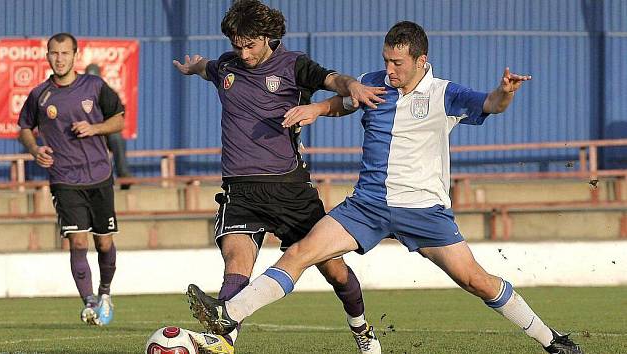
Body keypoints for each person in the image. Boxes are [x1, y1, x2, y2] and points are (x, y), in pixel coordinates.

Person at [184, 21, 585, 354]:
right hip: (367, 207)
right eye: (386, 61)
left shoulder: (446, 94)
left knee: (475, 281)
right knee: (302, 253)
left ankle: (551, 340)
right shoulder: (375, 83)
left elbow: (491, 104)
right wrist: (318, 108)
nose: (389, 70)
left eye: (397, 63)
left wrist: (506, 93)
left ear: (420, 61)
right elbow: (346, 102)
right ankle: (228, 316)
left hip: (424, 211)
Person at [173, 1, 385, 353]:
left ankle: (361, 328)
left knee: (334, 271)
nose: (243, 53)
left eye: (250, 45)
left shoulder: (294, 65)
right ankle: (223, 341)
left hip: (290, 189)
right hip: (240, 191)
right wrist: (195, 66)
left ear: (269, 36)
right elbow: (207, 67)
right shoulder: (227, 64)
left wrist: (353, 87)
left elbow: (333, 80)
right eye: (237, 45)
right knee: (236, 264)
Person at [18, 32, 124, 327]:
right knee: (78, 241)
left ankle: (105, 292)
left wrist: (96, 128)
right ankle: (89, 302)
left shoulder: (94, 86)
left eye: (65, 53)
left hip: (99, 175)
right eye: (54, 53)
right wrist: (34, 149)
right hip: (64, 178)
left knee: (103, 244)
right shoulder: (40, 95)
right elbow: (24, 127)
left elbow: (120, 119)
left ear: (76, 55)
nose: (59, 58)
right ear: (47, 56)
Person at [85, 63, 133, 190]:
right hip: (86, 133)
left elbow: (119, 115)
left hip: (104, 131)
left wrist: (104, 125)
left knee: (116, 138)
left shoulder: (109, 93)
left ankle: (124, 176)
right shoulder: (79, 95)